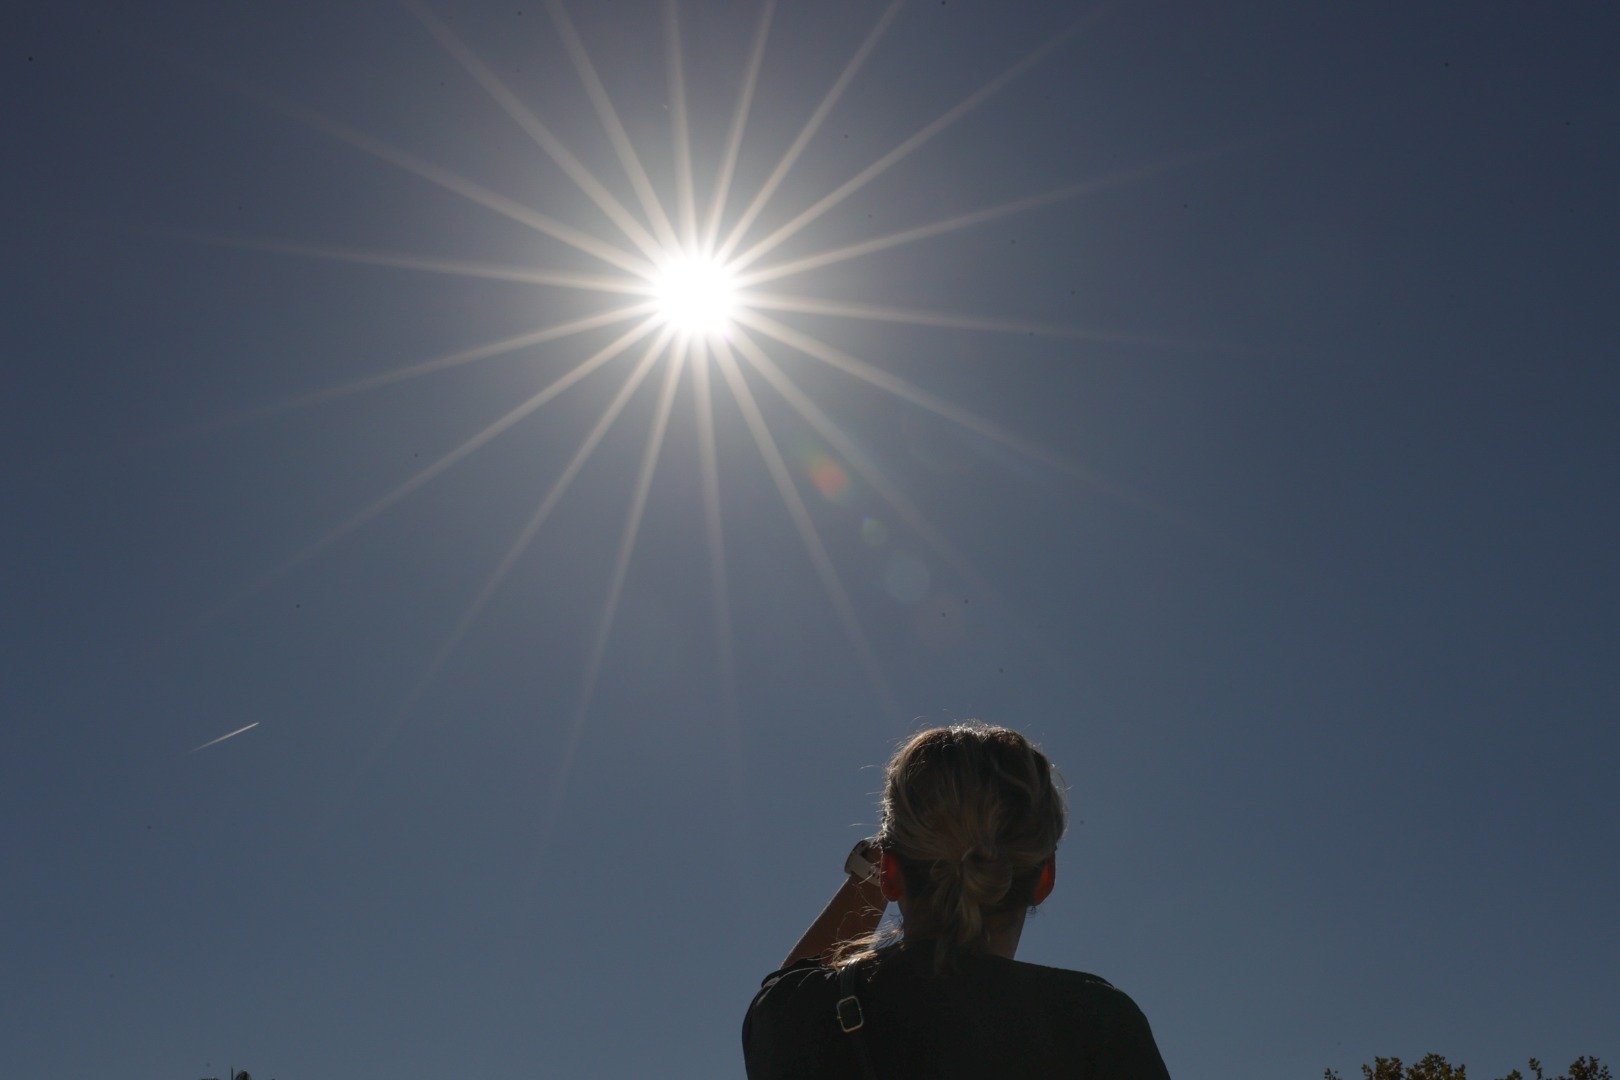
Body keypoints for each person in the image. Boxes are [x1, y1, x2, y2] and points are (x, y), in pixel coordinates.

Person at [742, 723, 1171, 1078]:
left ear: (889, 874)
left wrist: (871, 873)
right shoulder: (1098, 1024)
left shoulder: (800, 1019)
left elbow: (786, 986)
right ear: (1045, 877)